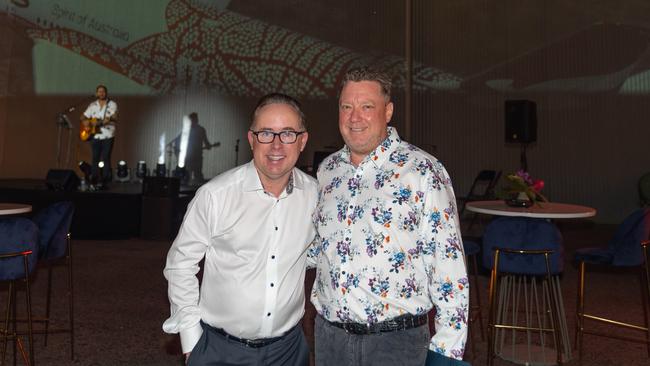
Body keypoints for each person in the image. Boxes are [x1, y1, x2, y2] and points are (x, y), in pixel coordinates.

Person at [310, 67, 469, 366]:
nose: (354, 117)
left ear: (388, 111)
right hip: (329, 340)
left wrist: (448, 352)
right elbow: (319, 248)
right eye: (347, 107)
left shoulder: (422, 171)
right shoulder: (327, 171)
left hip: (396, 345)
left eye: (367, 107)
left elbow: (448, 267)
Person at [163, 93, 317, 366]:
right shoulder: (216, 195)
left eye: (288, 134)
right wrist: (191, 342)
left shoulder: (315, 196)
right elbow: (180, 265)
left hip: (289, 352)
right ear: (251, 139)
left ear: (302, 140)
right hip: (220, 352)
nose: (276, 145)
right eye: (266, 133)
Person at [80, 84, 118, 186]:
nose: (101, 93)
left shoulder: (112, 104)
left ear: (106, 93)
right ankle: (94, 179)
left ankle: (105, 180)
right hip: (94, 135)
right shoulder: (92, 105)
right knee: (95, 158)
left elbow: (114, 116)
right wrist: (86, 123)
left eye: (103, 91)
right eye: (99, 91)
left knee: (106, 157)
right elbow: (82, 117)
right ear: (97, 93)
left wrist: (107, 120)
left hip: (107, 135)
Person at [171, 112, 219, 184]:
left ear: (196, 120)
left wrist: (209, 146)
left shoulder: (200, 130)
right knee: (189, 176)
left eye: (192, 120)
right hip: (190, 157)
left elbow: (207, 143)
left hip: (196, 157)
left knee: (197, 175)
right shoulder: (190, 130)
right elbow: (178, 138)